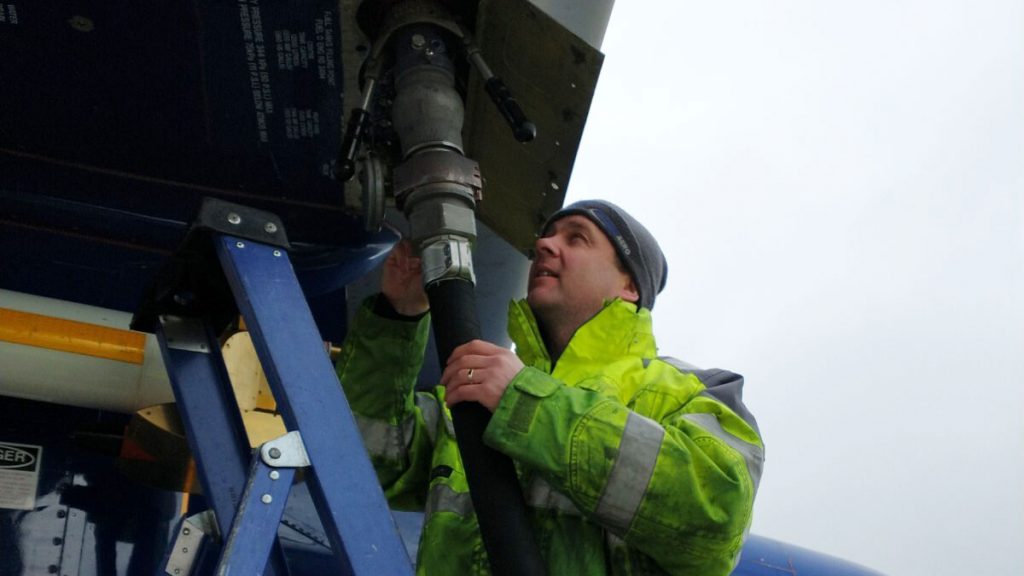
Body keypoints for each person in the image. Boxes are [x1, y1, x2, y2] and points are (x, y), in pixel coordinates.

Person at [335, 200, 764, 575]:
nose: (544, 245)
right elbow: (369, 462)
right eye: (546, 236)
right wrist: (398, 317)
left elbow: (715, 518)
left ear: (630, 286)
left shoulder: (691, 392)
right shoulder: (474, 395)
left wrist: (524, 403)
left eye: (577, 239)